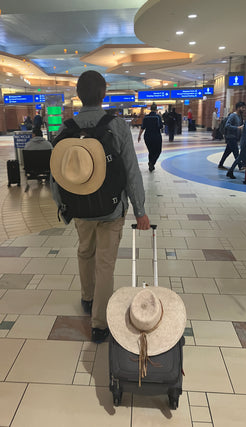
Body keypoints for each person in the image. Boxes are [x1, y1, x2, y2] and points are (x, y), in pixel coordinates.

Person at [51, 70, 150, 344]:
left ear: (79, 95)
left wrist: (63, 205)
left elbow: (56, 174)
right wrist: (140, 210)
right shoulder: (117, 126)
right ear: (104, 93)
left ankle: (87, 297)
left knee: (85, 251)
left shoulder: (67, 128)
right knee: (105, 263)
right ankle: (99, 323)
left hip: (80, 206)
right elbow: (131, 171)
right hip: (111, 208)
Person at [217, 101, 246, 170]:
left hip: (235, 137)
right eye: (242, 108)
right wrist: (237, 128)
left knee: (227, 152)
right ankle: (240, 166)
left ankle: (220, 164)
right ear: (238, 108)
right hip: (230, 137)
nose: (244, 109)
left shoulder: (240, 116)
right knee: (236, 152)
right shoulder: (233, 115)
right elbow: (227, 125)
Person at [137, 103, 163, 172]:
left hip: (147, 136)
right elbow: (160, 126)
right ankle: (152, 163)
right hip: (156, 136)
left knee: (151, 151)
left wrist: (139, 136)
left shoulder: (146, 117)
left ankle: (151, 164)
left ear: (150, 109)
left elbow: (142, 128)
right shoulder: (158, 117)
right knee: (158, 151)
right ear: (156, 109)